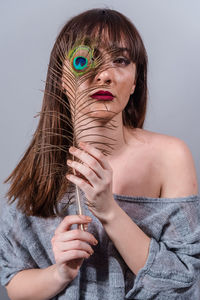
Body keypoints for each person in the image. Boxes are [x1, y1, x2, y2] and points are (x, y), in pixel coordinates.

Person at [0, 8, 200, 300]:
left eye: (120, 61)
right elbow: (14, 286)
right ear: (61, 79)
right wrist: (61, 272)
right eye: (84, 60)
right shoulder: (40, 166)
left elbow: (183, 283)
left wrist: (108, 211)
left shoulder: (170, 157)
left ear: (134, 82)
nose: (104, 75)